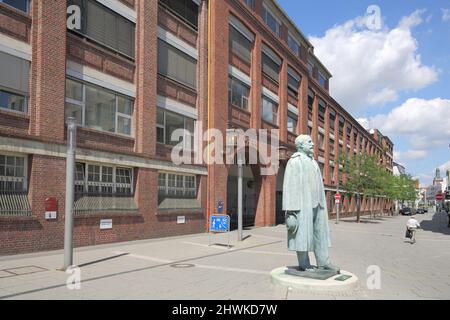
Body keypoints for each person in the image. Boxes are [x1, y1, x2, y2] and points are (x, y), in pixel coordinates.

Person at [282, 135, 340, 273]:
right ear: (301, 145)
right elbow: (289, 185)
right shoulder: (295, 161)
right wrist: (290, 210)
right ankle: (304, 263)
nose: (313, 144)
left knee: (320, 234)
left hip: (318, 204)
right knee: (301, 235)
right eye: (309, 142)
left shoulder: (313, 161)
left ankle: (323, 262)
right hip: (302, 205)